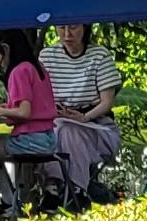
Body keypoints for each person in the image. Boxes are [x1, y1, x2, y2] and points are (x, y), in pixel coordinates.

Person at [0, 31, 64, 208]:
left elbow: (24, 113)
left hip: (31, 140)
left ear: (5, 49)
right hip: (48, 137)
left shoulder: (18, 71)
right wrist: (7, 107)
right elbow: (34, 106)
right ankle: (8, 199)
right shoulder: (36, 67)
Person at [43, 21, 125, 201]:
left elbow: (107, 102)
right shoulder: (47, 56)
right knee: (52, 131)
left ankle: (74, 188)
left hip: (97, 124)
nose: (67, 34)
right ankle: (55, 186)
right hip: (58, 121)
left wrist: (84, 117)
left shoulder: (100, 55)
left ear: (84, 27)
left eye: (73, 27)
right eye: (61, 28)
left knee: (68, 130)